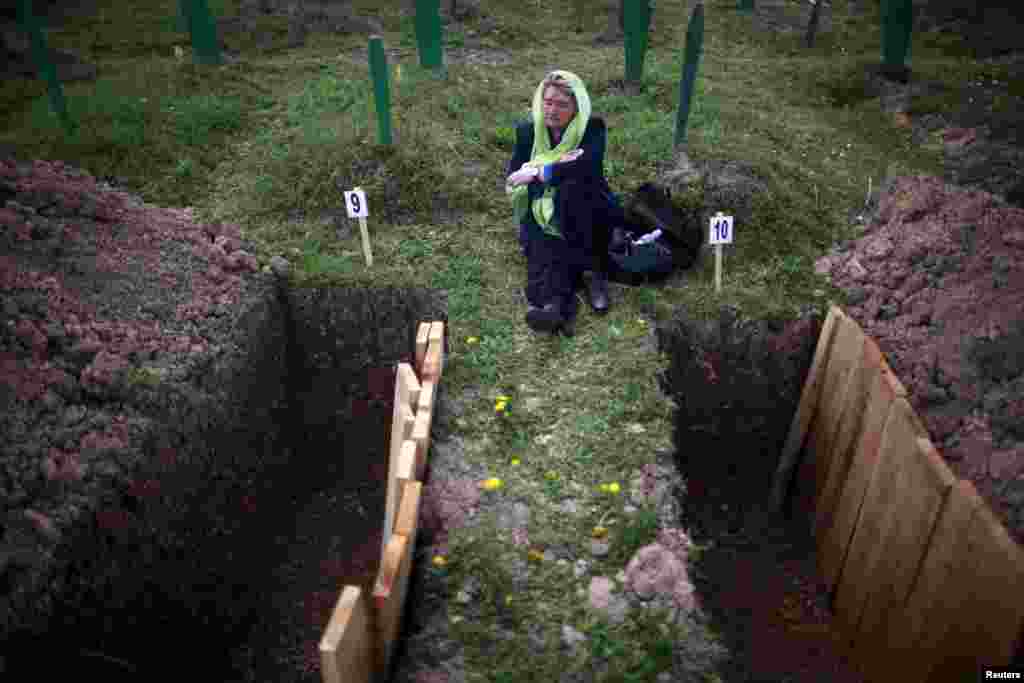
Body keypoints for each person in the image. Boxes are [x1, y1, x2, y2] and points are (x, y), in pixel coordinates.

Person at [505, 70, 626, 336]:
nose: (552, 110)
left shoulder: (592, 129)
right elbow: (515, 177)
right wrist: (559, 165)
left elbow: (587, 169)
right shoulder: (528, 132)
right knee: (543, 249)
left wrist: (539, 170)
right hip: (541, 209)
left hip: (586, 207)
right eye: (548, 102)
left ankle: (591, 273)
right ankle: (554, 308)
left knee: (573, 194)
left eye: (562, 104)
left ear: (576, 107)